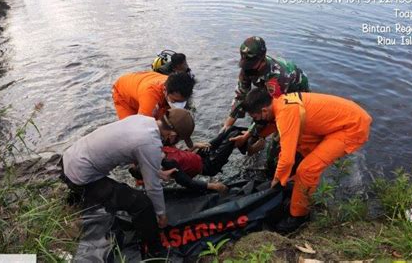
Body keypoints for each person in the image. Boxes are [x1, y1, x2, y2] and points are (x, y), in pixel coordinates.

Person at [60, 108, 195, 257]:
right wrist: (161, 215)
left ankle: (78, 197)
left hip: (68, 158)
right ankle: (155, 250)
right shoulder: (149, 143)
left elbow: (136, 151)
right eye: (179, 139)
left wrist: (159, 173)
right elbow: (153, 187)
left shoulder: (142, 120)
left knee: (124, 192)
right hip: (81, 176)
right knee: (142, 204)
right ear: (172, 135)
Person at [243, 89, 372, 233]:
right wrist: (246, 137)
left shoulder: (285, 114)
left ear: (264, 110)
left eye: (255, 117)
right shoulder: (280, 103)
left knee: (307, 169)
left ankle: (298, 216)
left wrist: (277, 179)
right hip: (340, 118)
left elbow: (286, 159)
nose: (256, 121)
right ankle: (295, 189)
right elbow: (276, 133)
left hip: (352, 126)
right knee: (301, 148)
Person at [222, 36, 310, 133]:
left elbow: (271, 109)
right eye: (246, 64)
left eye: (252, 64)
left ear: (262, 59)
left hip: (296, 92)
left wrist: (251, 133)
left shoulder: (278, 76)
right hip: (271, 88)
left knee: (282, 126)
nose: (248, 68)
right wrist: (227, 125)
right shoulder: (247, 69)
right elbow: (241, 95)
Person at [129, 126, 247, 193]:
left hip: (200, 155)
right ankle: (251, 141)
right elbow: (188, 183)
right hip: (209, 165)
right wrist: (214, 186)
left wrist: (195, 146)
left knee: (231, 129)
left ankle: (251, 138)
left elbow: (182, 155)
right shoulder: (170, 165)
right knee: (233, 136)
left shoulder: (163, 148)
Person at [112, 71, 195, 144]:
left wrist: (189, 145)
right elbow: (142, 129)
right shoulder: (150, 96)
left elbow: (180, 125)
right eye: (175, 100)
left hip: (141, 85)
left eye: (182, 101)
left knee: (165, 127)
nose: (179, 105)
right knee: (133, 135)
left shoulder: (179, 89)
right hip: (124, 94)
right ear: (165, 90)